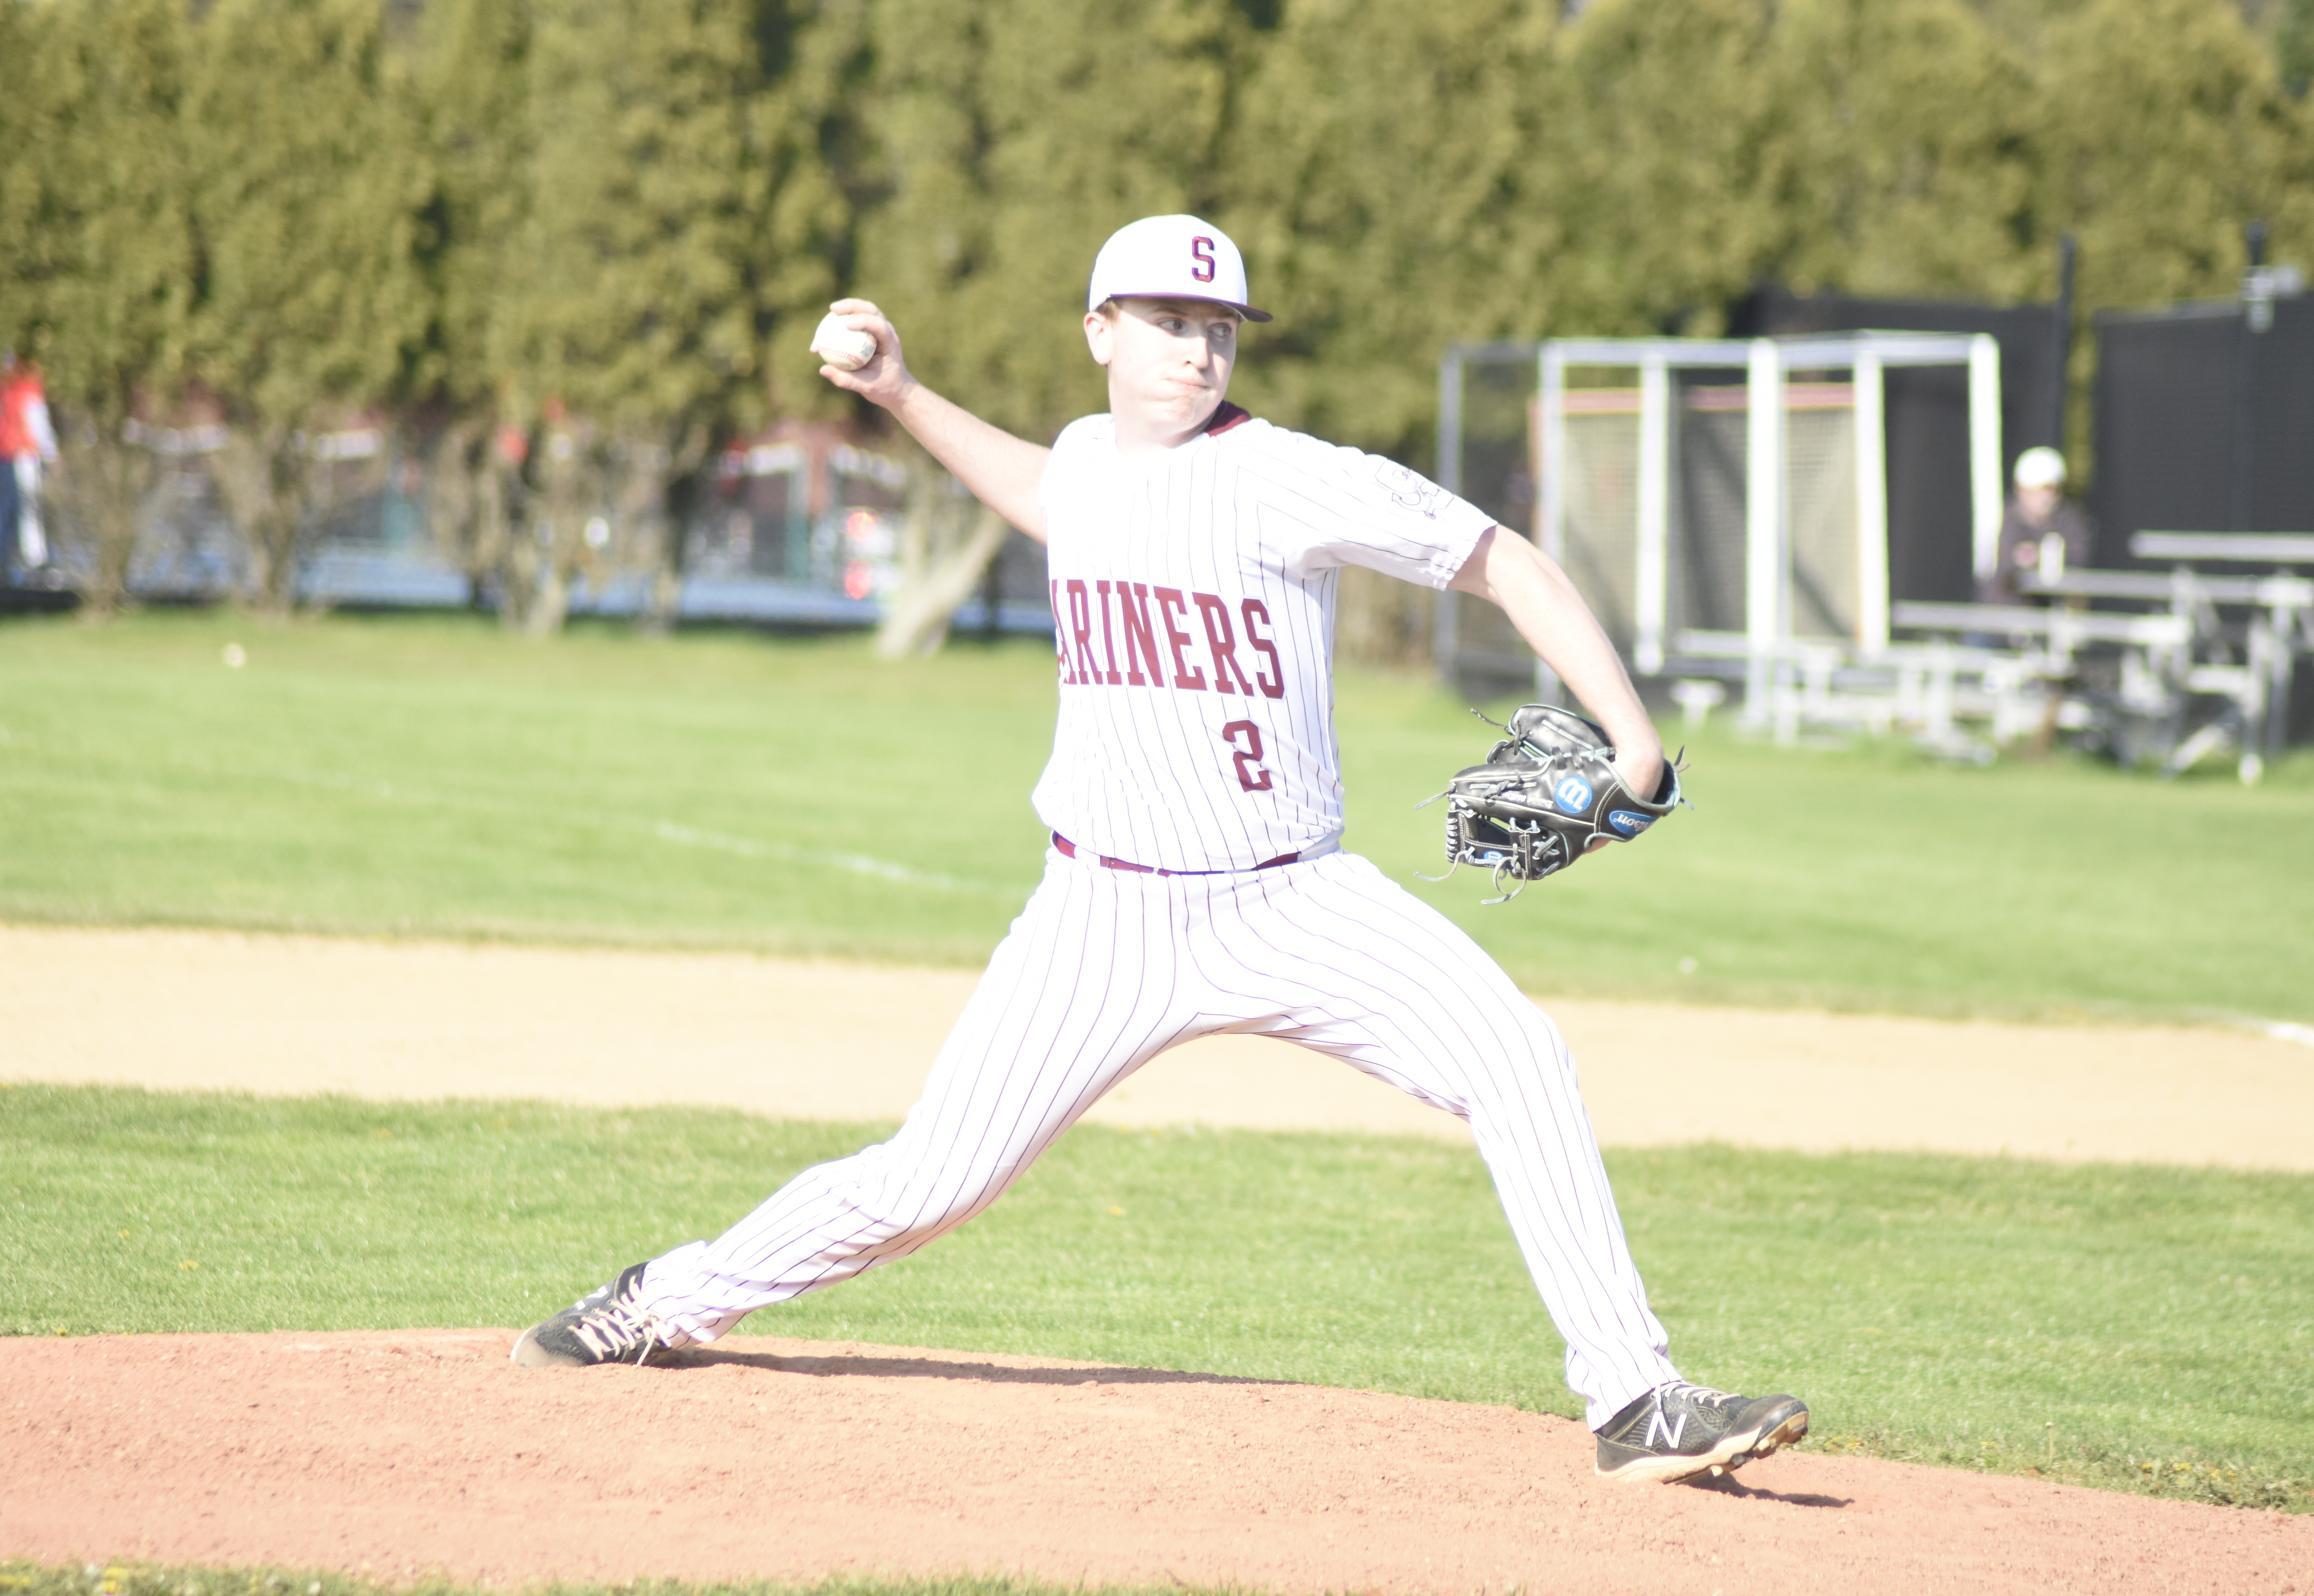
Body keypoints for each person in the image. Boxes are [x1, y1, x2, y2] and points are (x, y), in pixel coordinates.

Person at [511, 215, 1810, 1486]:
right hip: (1103, 919)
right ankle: (664, 1303)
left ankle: (1636, 1400)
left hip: (1294, 901)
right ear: (1101, 332)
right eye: (1170, 324)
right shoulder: (1086, 457)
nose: (1199, 352)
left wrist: (1631, 743)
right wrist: (901, 391)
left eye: (1220, 329)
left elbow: (1504, 560)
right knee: (929, 1183)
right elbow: (1039, 489)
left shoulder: (1290, 475)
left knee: (1520, 1058)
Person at [1981, 446, 2092, 604]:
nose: (2044, 497)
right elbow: (1995, 569)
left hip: (2052, 613)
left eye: (2048, 489)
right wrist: (2016, 559)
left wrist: (2041, 557)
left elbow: (2077, 560)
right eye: (2035, 490)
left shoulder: (2069, 520)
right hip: (2003, 613)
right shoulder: (2005, 518)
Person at [0, 352, 60, 576]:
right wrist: (52, 455)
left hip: (6, 455)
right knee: (29, 506)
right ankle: (35, 558)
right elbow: (39, 425)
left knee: (8, 509)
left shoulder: (7, 391)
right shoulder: (27, 391)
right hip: (24, 455)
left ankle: (7, 558)